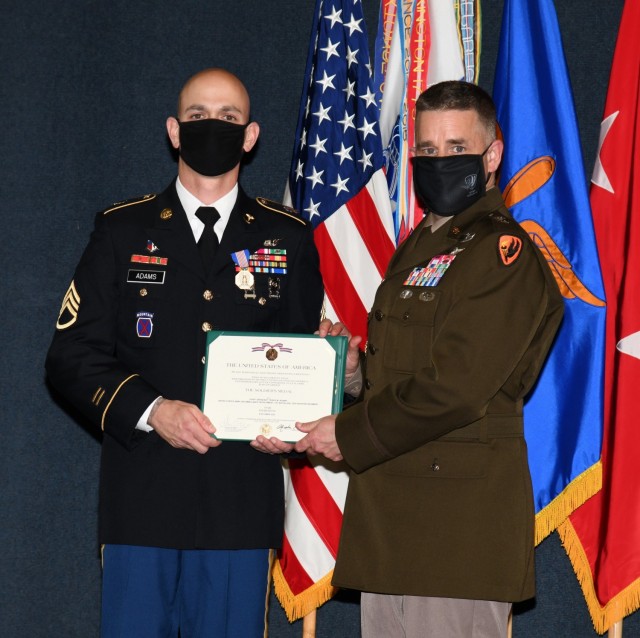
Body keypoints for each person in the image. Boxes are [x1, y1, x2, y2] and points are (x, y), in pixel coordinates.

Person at [45, 68, 324, 638]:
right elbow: (71, 355)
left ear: (250, 136)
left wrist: (295, 417)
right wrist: (153, 411)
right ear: (174, 130)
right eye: (197, 116)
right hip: (141, 500)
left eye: (228, 118)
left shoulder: (287, 236)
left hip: (238, 504)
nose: (211, 127)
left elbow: (302, 363)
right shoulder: (122, 231)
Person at [295, 81, 564, 637]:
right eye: (427, 150)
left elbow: (456, 387)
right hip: (392, 521)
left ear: (491, 156)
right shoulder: (420, 246)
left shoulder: (501, 254)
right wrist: (352, 372)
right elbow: (404, 373)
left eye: (456, 149)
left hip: (455, 533)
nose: (440, 162)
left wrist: (348, 432)